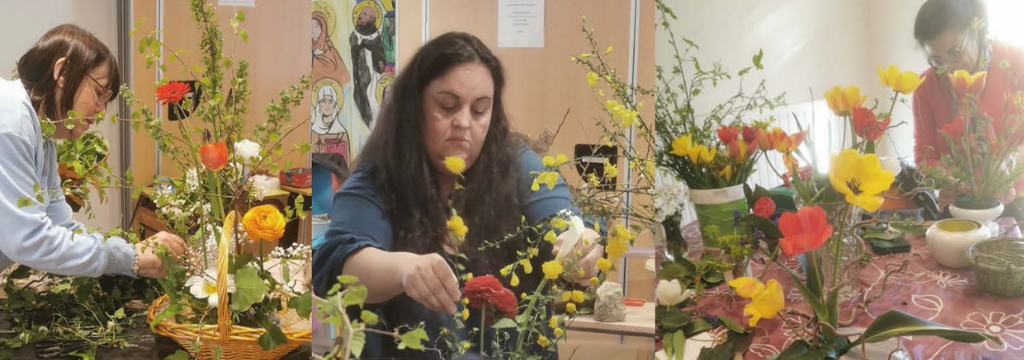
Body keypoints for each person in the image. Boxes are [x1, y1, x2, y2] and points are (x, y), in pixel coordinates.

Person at [312, 32, 604, 359]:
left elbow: (566, 219)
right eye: (447, 106)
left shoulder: (517, 166)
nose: (463, 123)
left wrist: (582, 242)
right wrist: (403, 270)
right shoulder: (380, 178)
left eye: (480, 110)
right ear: (415, 106)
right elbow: (338, 262)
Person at [0, 24, 186, 279]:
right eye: (99, 93)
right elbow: (28, 240)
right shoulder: (11, 120)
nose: (100, 111)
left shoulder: (43, 138)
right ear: (62, 72)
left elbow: (61, 226)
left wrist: (133, 253)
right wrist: (132, 258)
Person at [912, 0, 1024, 216]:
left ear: (977, 30)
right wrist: (955, 180)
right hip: (958, 205)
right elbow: (923, 156)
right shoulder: (925, 86)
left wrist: (1007, 162)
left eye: (955, 52)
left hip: (1017, 199)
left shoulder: (1017, 65)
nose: (948, 66)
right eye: (936, 58)